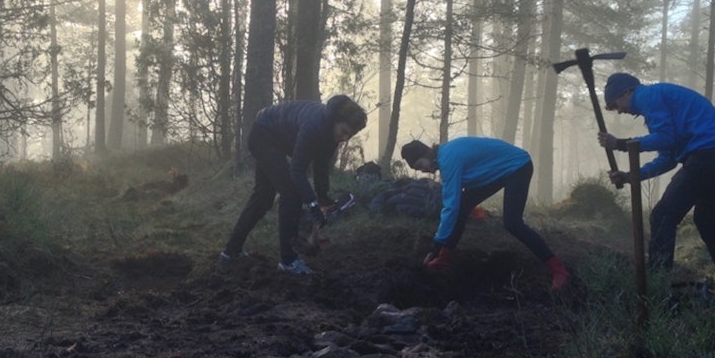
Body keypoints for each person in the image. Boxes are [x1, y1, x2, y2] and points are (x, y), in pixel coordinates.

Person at [596, 72, 715, 286]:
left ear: (627, 91)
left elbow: (665, 138)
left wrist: (620, 143)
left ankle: (657, 285)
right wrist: (630, 176)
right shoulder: (658, 104)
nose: (619, 111)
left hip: (708, 154)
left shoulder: (648, 95)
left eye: (615, 104)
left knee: (662, 215)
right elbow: (667, 159)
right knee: (706, 220)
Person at [222, 95, 368, 274]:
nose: (345, 138)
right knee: (291, 195)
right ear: (336, 120)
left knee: (263, 198)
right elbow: (297, 170)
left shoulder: (331, 134)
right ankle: (288, 261)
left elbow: (321, 166)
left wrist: (323, 198)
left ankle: (231, 251)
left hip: (274, 139)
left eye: (350, 135)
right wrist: (313, 205)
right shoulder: (314, 126)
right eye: (344, 131)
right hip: (263, 135)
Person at [400, 137, 570, 291]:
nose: (422, 171)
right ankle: (443, 259)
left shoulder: (448, 159)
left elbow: (450, 207)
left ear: (426, 154)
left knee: (512, 223)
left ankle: (558, 269)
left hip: (517, 166)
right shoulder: (444, 155)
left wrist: (436, 245)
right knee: (463, 205)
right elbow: (456, 204)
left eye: (420, 165)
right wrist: (439, 249)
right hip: (497, 169)